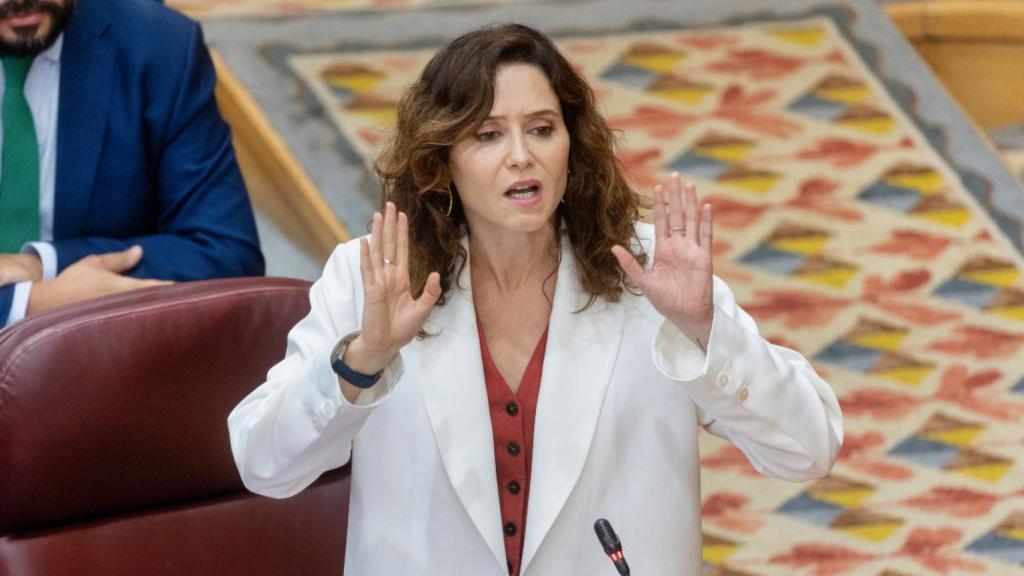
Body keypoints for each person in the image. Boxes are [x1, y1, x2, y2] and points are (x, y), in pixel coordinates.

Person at [228, 24, 842, 575]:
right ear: (441, 160)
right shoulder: (374, 276)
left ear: (571, 147)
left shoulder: (647, 271)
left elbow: (809, 450)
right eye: (488, 134)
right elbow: (264, 465)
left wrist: (707, 333)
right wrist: (362, 359)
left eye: (542, 129)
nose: (522, 155)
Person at [0, 0, 263, 327]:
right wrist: (29, 304)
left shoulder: (159, 44)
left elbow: (227, 253)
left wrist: (44, 264)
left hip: (102, 355)